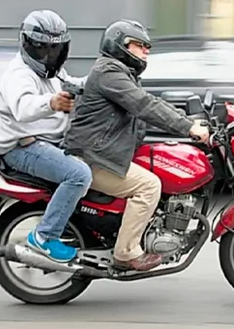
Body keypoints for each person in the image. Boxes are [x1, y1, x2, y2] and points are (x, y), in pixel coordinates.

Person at [63, 19, 210, 272]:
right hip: (93, 157)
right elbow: (144, 106)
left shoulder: (119, 74)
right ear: (121, 45)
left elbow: (148, 106)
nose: (146, 51)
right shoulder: (109, 73)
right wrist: (189, 128)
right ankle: (126, 253)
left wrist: (189, 122)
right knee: (149, 186)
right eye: (140, 45)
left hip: (104, 151)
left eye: (146, 46)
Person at [0, 10, 93, 263]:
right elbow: (23, 108)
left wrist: (103, 80)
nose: (50, 55)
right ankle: (45, 237)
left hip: (48, 141)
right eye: (43, 49)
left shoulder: (52, 71)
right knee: (79, 174)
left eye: (55, 49)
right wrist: (52, 103)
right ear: (28, 45)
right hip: (22, 148)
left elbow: (73, 84)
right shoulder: (19, 74)